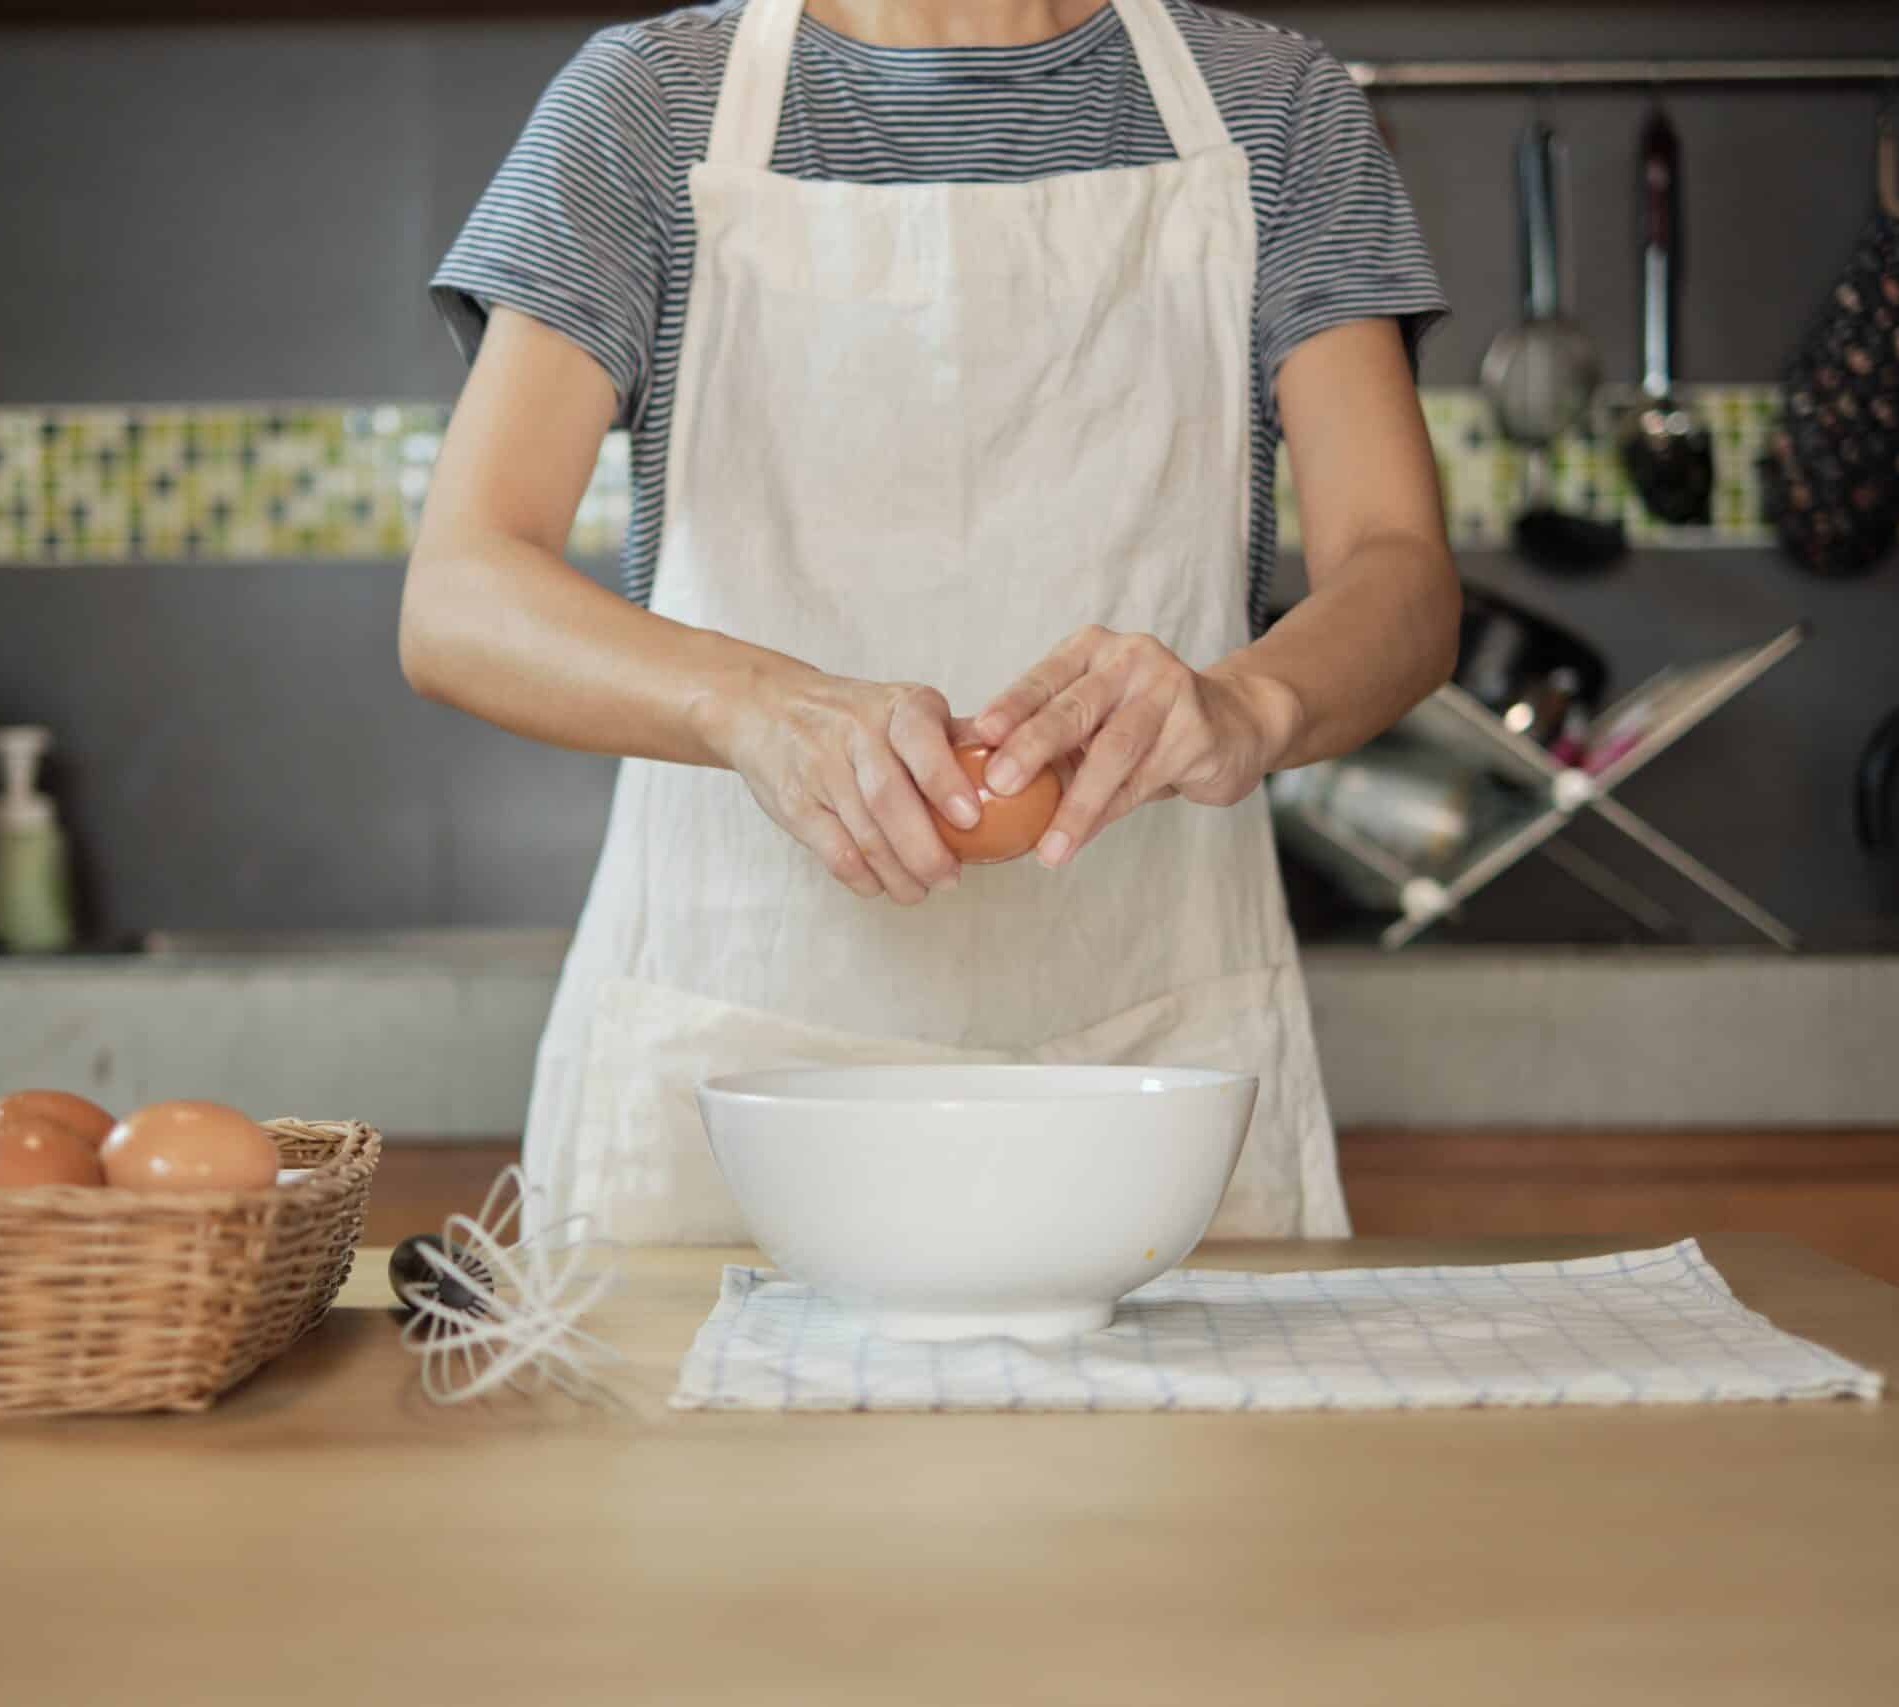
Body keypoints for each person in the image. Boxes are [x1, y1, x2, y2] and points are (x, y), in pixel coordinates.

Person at [403, 0, 1457, 1242]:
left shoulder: (1273, 105)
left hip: (1152, 1068)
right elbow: (460, 591)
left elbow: (1401, 574)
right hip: (733, 1059)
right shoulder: (649, 101)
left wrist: (1245, 705)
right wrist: (750, 706)